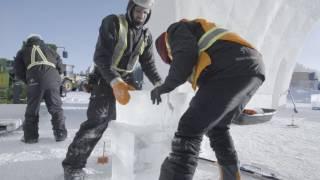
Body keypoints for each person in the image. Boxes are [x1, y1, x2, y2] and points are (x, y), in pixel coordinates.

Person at [151, 18, 266, 180]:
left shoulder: (175, 31)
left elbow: (184, 56)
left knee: (189, 127)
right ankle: (231, 177)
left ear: (167, 48)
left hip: (233, 66)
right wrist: (233, 108)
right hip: (252, 67)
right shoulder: (206, 49)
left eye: (171, 59)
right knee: (217, 127)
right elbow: (215, 98)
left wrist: (165, 86)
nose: (173, 62)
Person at [62, 0, 162, 179]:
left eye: (146, 13)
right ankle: (73, 166)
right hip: (106, 75)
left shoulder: (146, 35)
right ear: (131, 8)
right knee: (98, 121)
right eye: (139, 11)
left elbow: (148, 64)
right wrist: (115, 82)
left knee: (136, 122)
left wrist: (158, 83)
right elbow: (100, 58)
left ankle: (137, 160)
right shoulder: (113, 23)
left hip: (129, 79)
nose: (142, 15)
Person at [14, 34, 67, 144]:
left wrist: (29, 81)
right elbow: (61, 68)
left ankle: (31, 137)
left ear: (28, 41)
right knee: (56, 108)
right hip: (52, 79)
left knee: (32, 109)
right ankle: (60, 134)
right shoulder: (51, 50)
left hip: (34, 80)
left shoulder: (22, 51)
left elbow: (18, 72)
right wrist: (54, 77)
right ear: (41, 40)